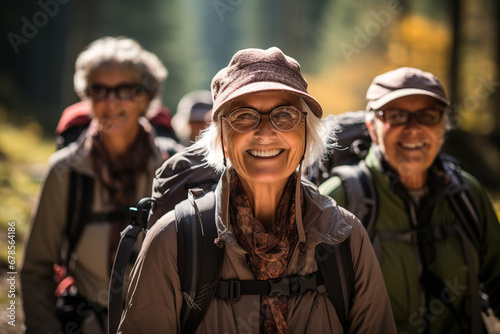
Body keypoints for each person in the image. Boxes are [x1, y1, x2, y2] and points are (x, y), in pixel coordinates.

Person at [117, 47, 396, 333]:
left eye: (285, 115)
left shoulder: (345, 236)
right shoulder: (173, 239)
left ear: (306, 132)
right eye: (244, 116)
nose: (265, 132)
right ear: (222, 136)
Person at [319, 67, 500, 334]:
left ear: (442, 127)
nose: (414, 129)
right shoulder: (338, 199)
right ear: (372, 128)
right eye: (397, 115)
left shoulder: (468, 196)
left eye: (428, 115)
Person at [21, 36, 176, 334]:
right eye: (99, 90)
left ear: (146, 97)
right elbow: (36, 269)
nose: (111, 102)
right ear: (86, 96)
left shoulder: (171, 170)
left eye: (125, 91)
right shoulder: (65, 171)